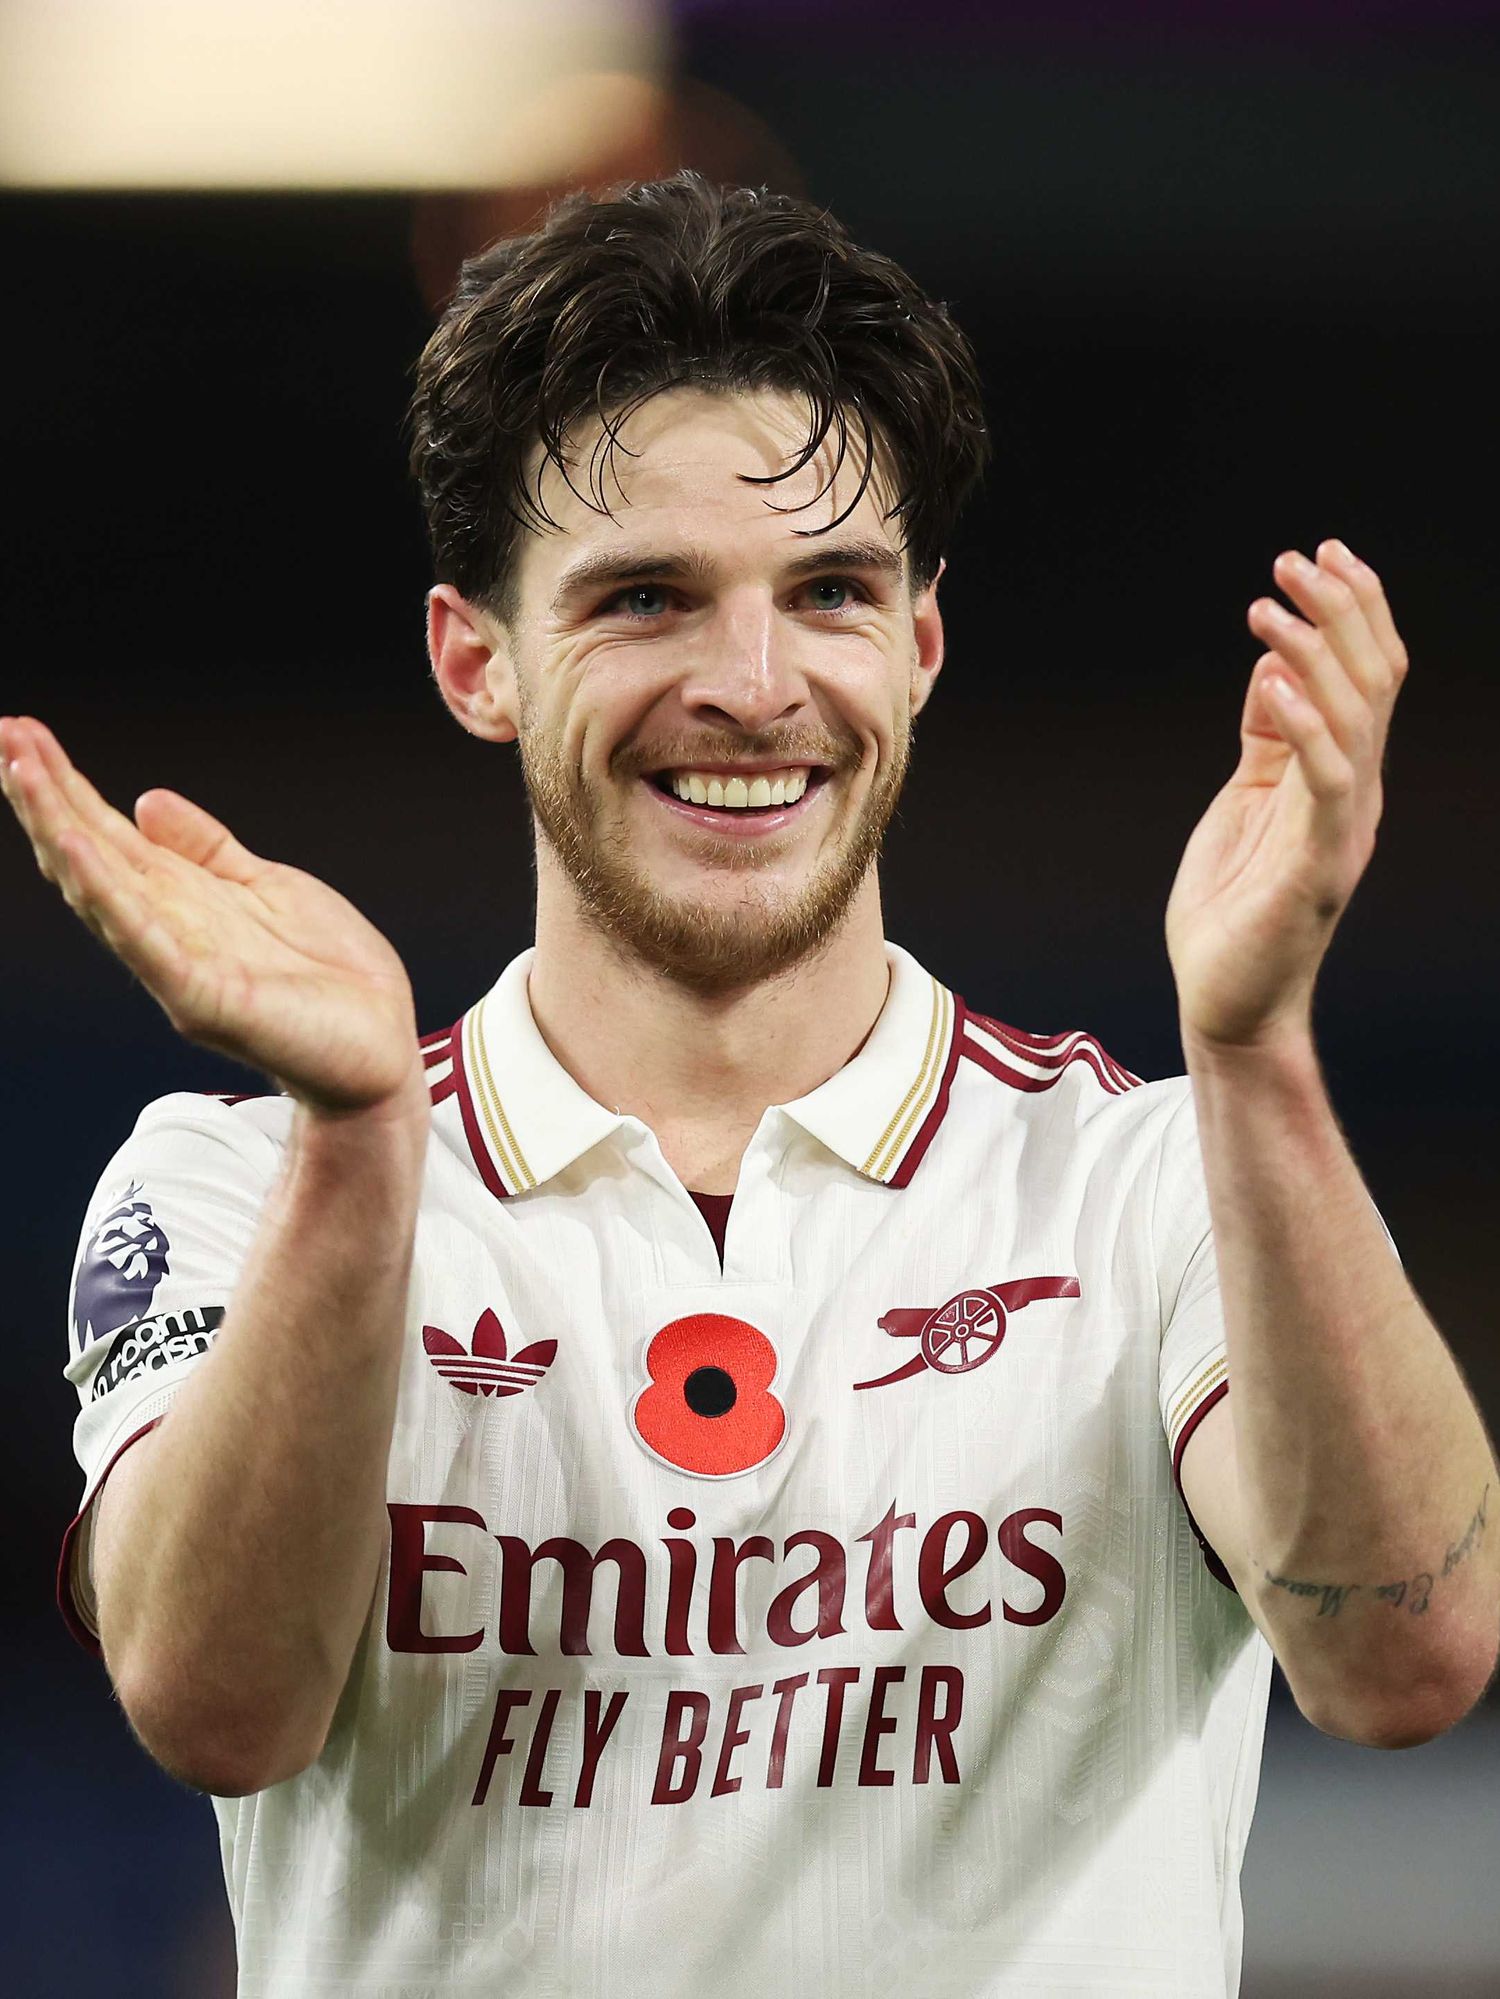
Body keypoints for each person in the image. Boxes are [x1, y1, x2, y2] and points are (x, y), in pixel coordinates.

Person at [4, 173, 1496, 1999]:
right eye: (646, 598)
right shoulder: (232, 1184)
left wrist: (1256, 1049)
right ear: (478, 659)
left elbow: (1401, 1662)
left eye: (833, 593)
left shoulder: (1153, 1181)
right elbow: (216, 1708)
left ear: (921, 648)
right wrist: (363, 1142)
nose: (752, 682)